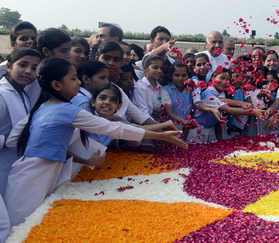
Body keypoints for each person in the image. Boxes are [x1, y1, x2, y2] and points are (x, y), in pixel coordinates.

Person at [4, 57, 187, 226]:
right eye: (74, 79)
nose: (78, 83)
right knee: (19, 227)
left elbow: (14, 141)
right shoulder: (69, 110)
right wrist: (161, 135)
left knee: (29, 226)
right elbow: (114, 129)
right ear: (56, 85)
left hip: (35, 169)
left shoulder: (46, 106)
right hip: (34, 174)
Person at [0, 48, 43, 197]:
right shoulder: (2, 94)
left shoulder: (23, 94)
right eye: (23, 65)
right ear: (9, 66)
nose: (28, 71)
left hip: (12, 164)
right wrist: (5, 139)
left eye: (34, 68)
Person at [94, 42, 157, 126]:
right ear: (97, 58)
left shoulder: (115, 88)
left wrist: (161, 131)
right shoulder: (88, 83)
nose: (111, 63)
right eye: (106, 58)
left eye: (116, 60)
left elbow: (139, 116)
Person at [132, 55, 170, 121]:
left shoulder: (161, 87)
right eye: (155, 68)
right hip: (146, 126)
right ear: (145, 68)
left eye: (161, 68)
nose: (159, 71)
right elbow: (143, 113)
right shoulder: (139, 87)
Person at [162, 62, 193, 139]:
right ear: (171, 76)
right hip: (168, 129)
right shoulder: (165, 90)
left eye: (184, 75)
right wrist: (183, 121)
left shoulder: (191, 90)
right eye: (177, 75)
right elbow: (170, 112)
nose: (180, 78)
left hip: (186, 130)